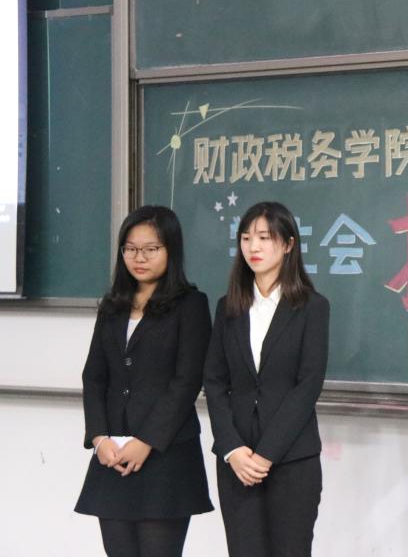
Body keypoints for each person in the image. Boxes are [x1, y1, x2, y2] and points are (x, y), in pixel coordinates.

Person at [76, 205, 213, 557]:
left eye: (151, 248)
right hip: (113, 455)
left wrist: (147, 440)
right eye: (131, 248)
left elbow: (187, 381)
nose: (139, 257)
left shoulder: (191, 305)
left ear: (171, 250)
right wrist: (98, 437)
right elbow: (94, 376)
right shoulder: (112, 306)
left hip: (166, 456)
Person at [203, 201, 329, 557]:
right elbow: (214, 381)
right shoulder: (228, 307)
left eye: (264, 237)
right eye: (245, 238)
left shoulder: (312, 307)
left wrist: (266, 455)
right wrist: (232, 448)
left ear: (288, 244)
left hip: (292, 460)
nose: (253, 247)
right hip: (237, 462)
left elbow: (308, 385)